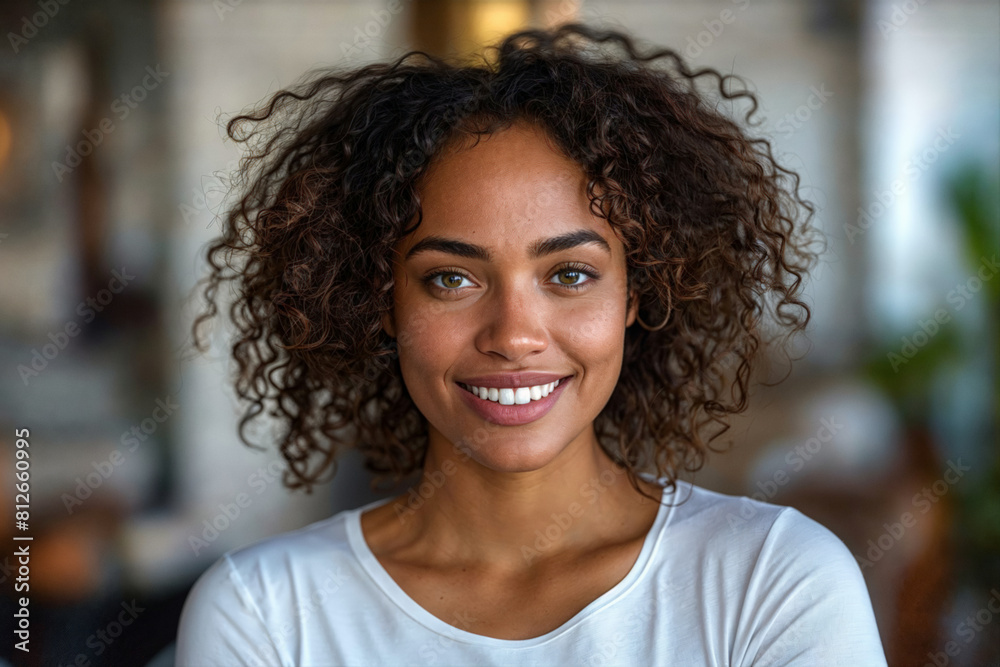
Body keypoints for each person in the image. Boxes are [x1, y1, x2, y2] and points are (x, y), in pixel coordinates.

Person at [175, 22, 888, 666]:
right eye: (450, 278)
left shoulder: (773, 581)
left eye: (570, 274)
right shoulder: (264, 613)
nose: (514, 334)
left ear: (636, 294)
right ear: (381, 300)